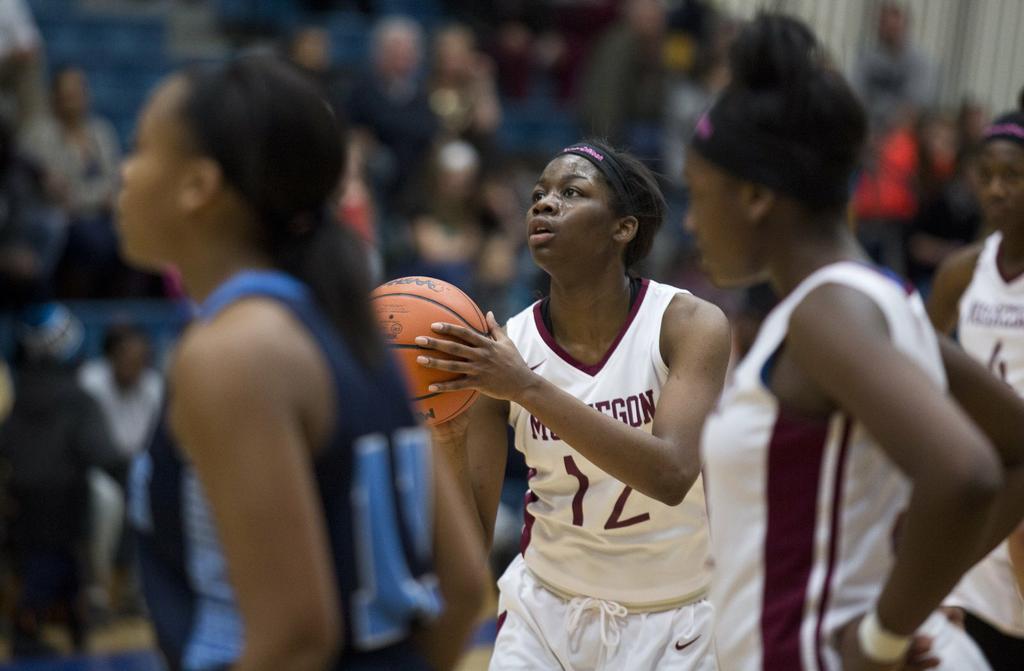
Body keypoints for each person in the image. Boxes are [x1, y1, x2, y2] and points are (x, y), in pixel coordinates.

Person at [117, 55, 486, 671]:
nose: (125, 175)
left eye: (142, 149)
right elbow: (464, 585)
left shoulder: (234, 353)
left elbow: (294, 642)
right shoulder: (349, 326)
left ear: (198, 186)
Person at [684, 13, 1024, 671]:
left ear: (756, 195)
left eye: (701, 195)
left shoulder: (827, 314)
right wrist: (909, 597)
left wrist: (881, 634)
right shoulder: (876, 302)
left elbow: (970, 471)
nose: (693, 221)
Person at [419, 139, 731, 670]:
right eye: (538, 194)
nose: (543, 203)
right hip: (545, 615)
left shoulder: (687, 324)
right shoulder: (508, 350)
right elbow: (469, 556)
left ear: (622, 227)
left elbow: (672, 473)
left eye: (571, 192)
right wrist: (449, 437)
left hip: (675, 620)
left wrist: (527, 389)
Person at [927, 104, 1024, 671]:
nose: (996, 188)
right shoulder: (962, 271)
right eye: (986, 175)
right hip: (983, 487)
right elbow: (914, 365)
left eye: (1012, 176)